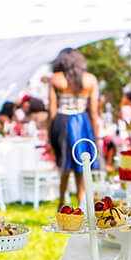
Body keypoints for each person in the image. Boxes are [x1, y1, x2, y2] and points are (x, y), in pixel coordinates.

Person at [47, 47, 100, 205]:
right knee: (82, 163)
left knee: (64, 164)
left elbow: (51, 111)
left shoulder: (56, 79)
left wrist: (50, 134)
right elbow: (94, 111)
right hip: (82, 122)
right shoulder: (90, 79)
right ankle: (81, 201)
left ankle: (62, 201)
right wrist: (95, 134)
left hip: (62, 122)